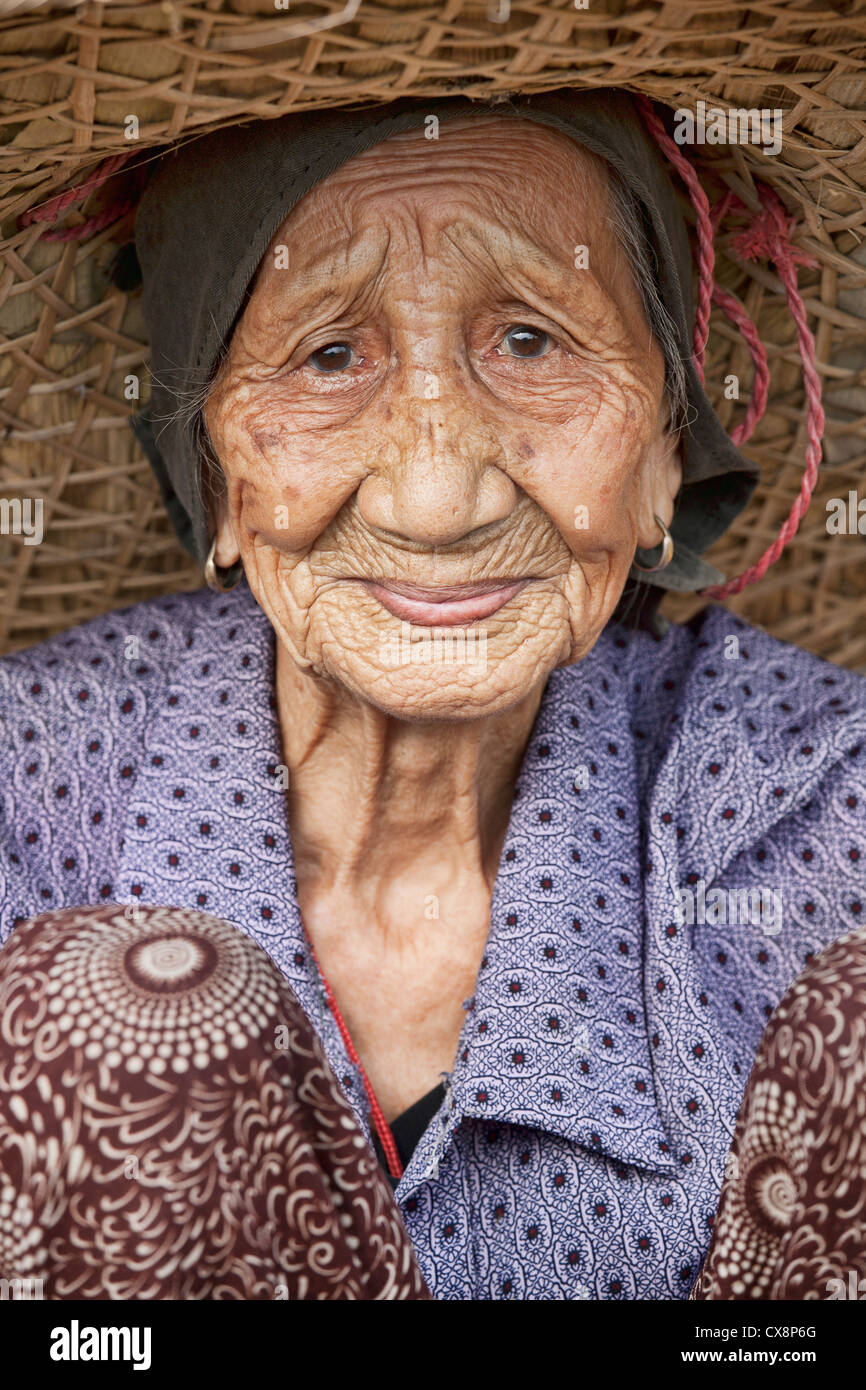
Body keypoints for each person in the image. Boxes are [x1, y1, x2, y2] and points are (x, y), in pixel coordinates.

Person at [1, 89, 864, 1300]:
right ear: (216, 480)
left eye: (530, 340)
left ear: (664, 456)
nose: (434, 498)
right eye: (329, 354)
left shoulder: (819, 809)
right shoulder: (24, 797)